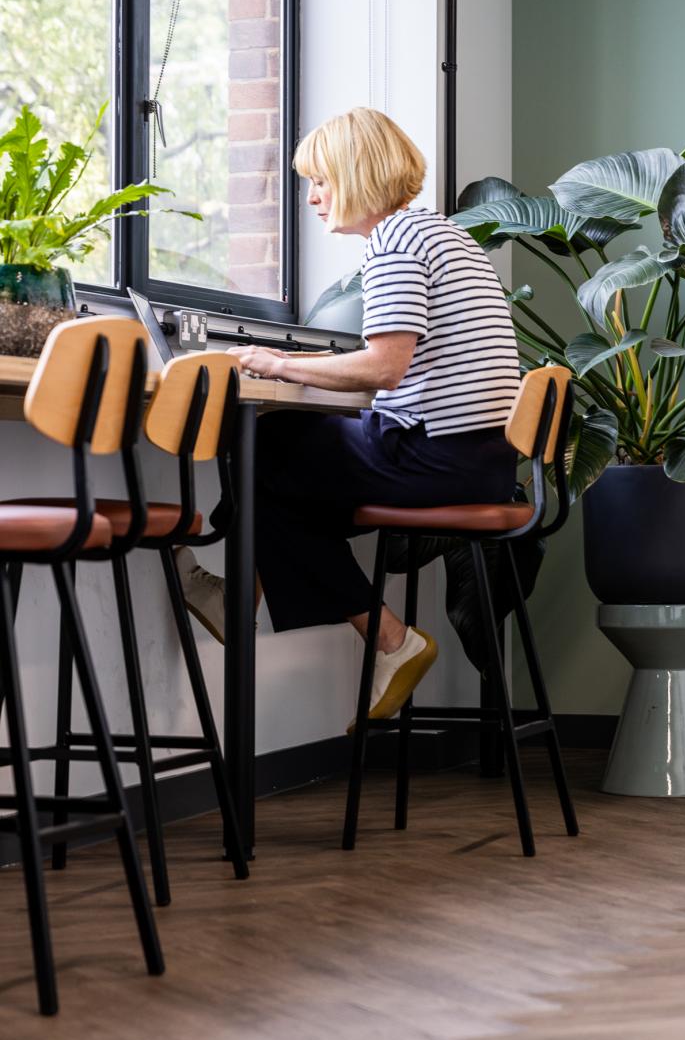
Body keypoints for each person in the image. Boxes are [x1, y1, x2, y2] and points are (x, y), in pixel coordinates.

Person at [177, 106, 520, 729]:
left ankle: (379, 637)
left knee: (262, 447)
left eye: (322, 182)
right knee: (278, 486)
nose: (312, 199)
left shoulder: (394, 244)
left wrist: (278, 365)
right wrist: (295, 362)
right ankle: (272, 610)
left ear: (358, 174)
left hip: (435, 456)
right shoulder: (443, 235)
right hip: (483, 461)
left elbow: (383, 368)